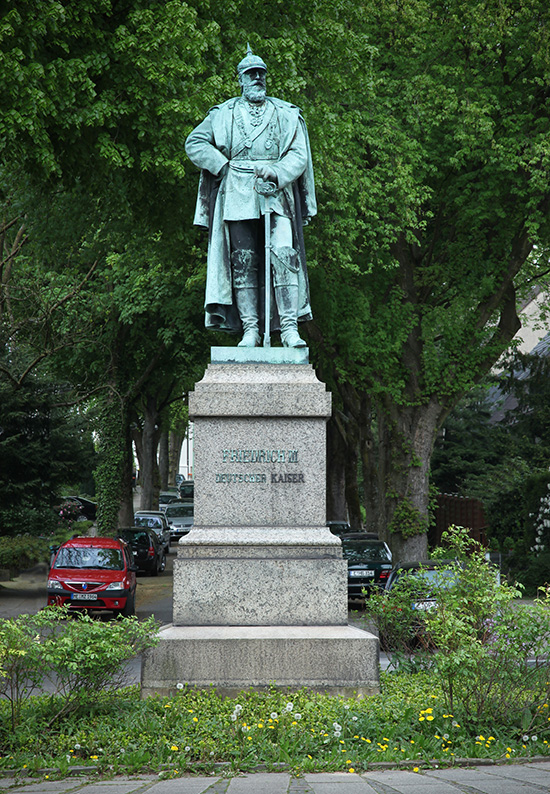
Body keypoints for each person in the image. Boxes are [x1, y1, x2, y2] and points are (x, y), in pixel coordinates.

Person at [185, 46, 317, 347]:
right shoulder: (222, 114)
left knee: (284, 255)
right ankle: (251, 330)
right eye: (251, 74)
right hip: (237, 193)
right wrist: (222, 166)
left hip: (276, 192)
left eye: (261, 73)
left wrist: (278, 171)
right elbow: (194, 143)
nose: (257, 78)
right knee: (243, 261)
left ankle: (289, 329)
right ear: (240, 80)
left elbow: (299, 154)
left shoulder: (286, 113)